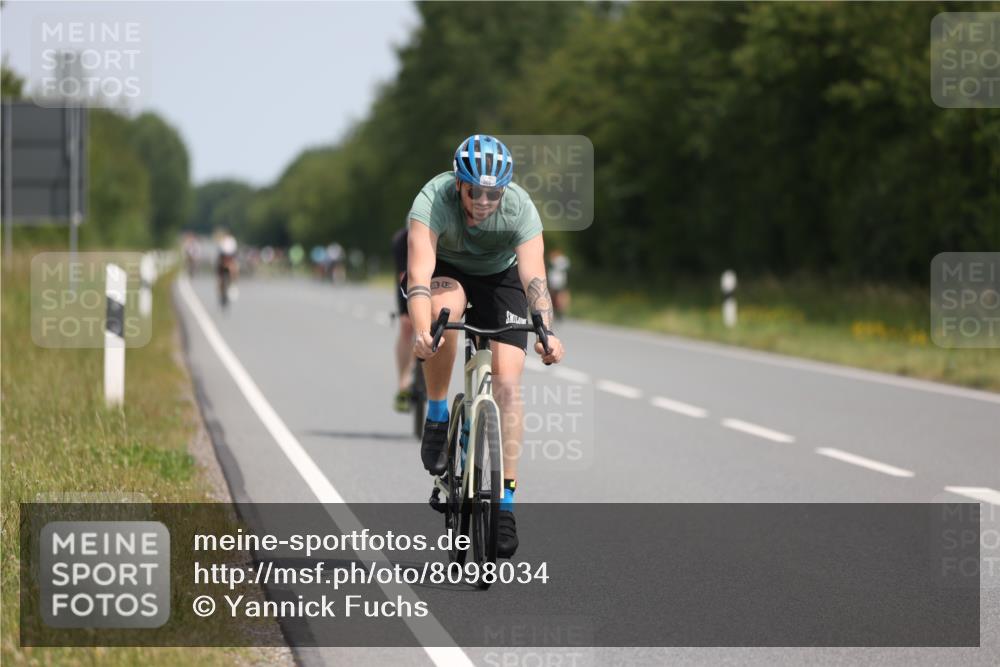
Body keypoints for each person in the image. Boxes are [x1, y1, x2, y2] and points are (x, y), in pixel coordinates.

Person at [402, 134, 565, 558]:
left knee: (509, 387)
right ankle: (438, 416)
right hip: (447, 270)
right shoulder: (432, 201)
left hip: (501, 278)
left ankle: (505, 505)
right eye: (475, 191)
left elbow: (534, 279)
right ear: (459, 185)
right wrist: (423, 333)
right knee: (444, 321)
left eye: (494, 193)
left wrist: (546, 332)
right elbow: (419, 276)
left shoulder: (520, 208)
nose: (484, 201)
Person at [391, 227, 416, 412]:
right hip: (408, 281)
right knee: (407, 325)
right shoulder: (401, 240)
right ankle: (403, 381)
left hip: (434, 279)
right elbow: (404, 277)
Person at [216, 232, 239, 308]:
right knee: (220, 278)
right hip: (222, 261)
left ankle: (232, 284)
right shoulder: (222, 242)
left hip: (230, 259)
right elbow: (219, 254)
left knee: (234, 268)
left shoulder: (232, 241)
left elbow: (234, 253)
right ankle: (221, 291)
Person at [547, 248, 571, 320]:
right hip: (553, 283)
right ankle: (555, 311)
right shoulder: (552, 261)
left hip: (560, 282)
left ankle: (560, 312)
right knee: (553, 297)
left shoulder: (561, 260)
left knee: (560, 297)